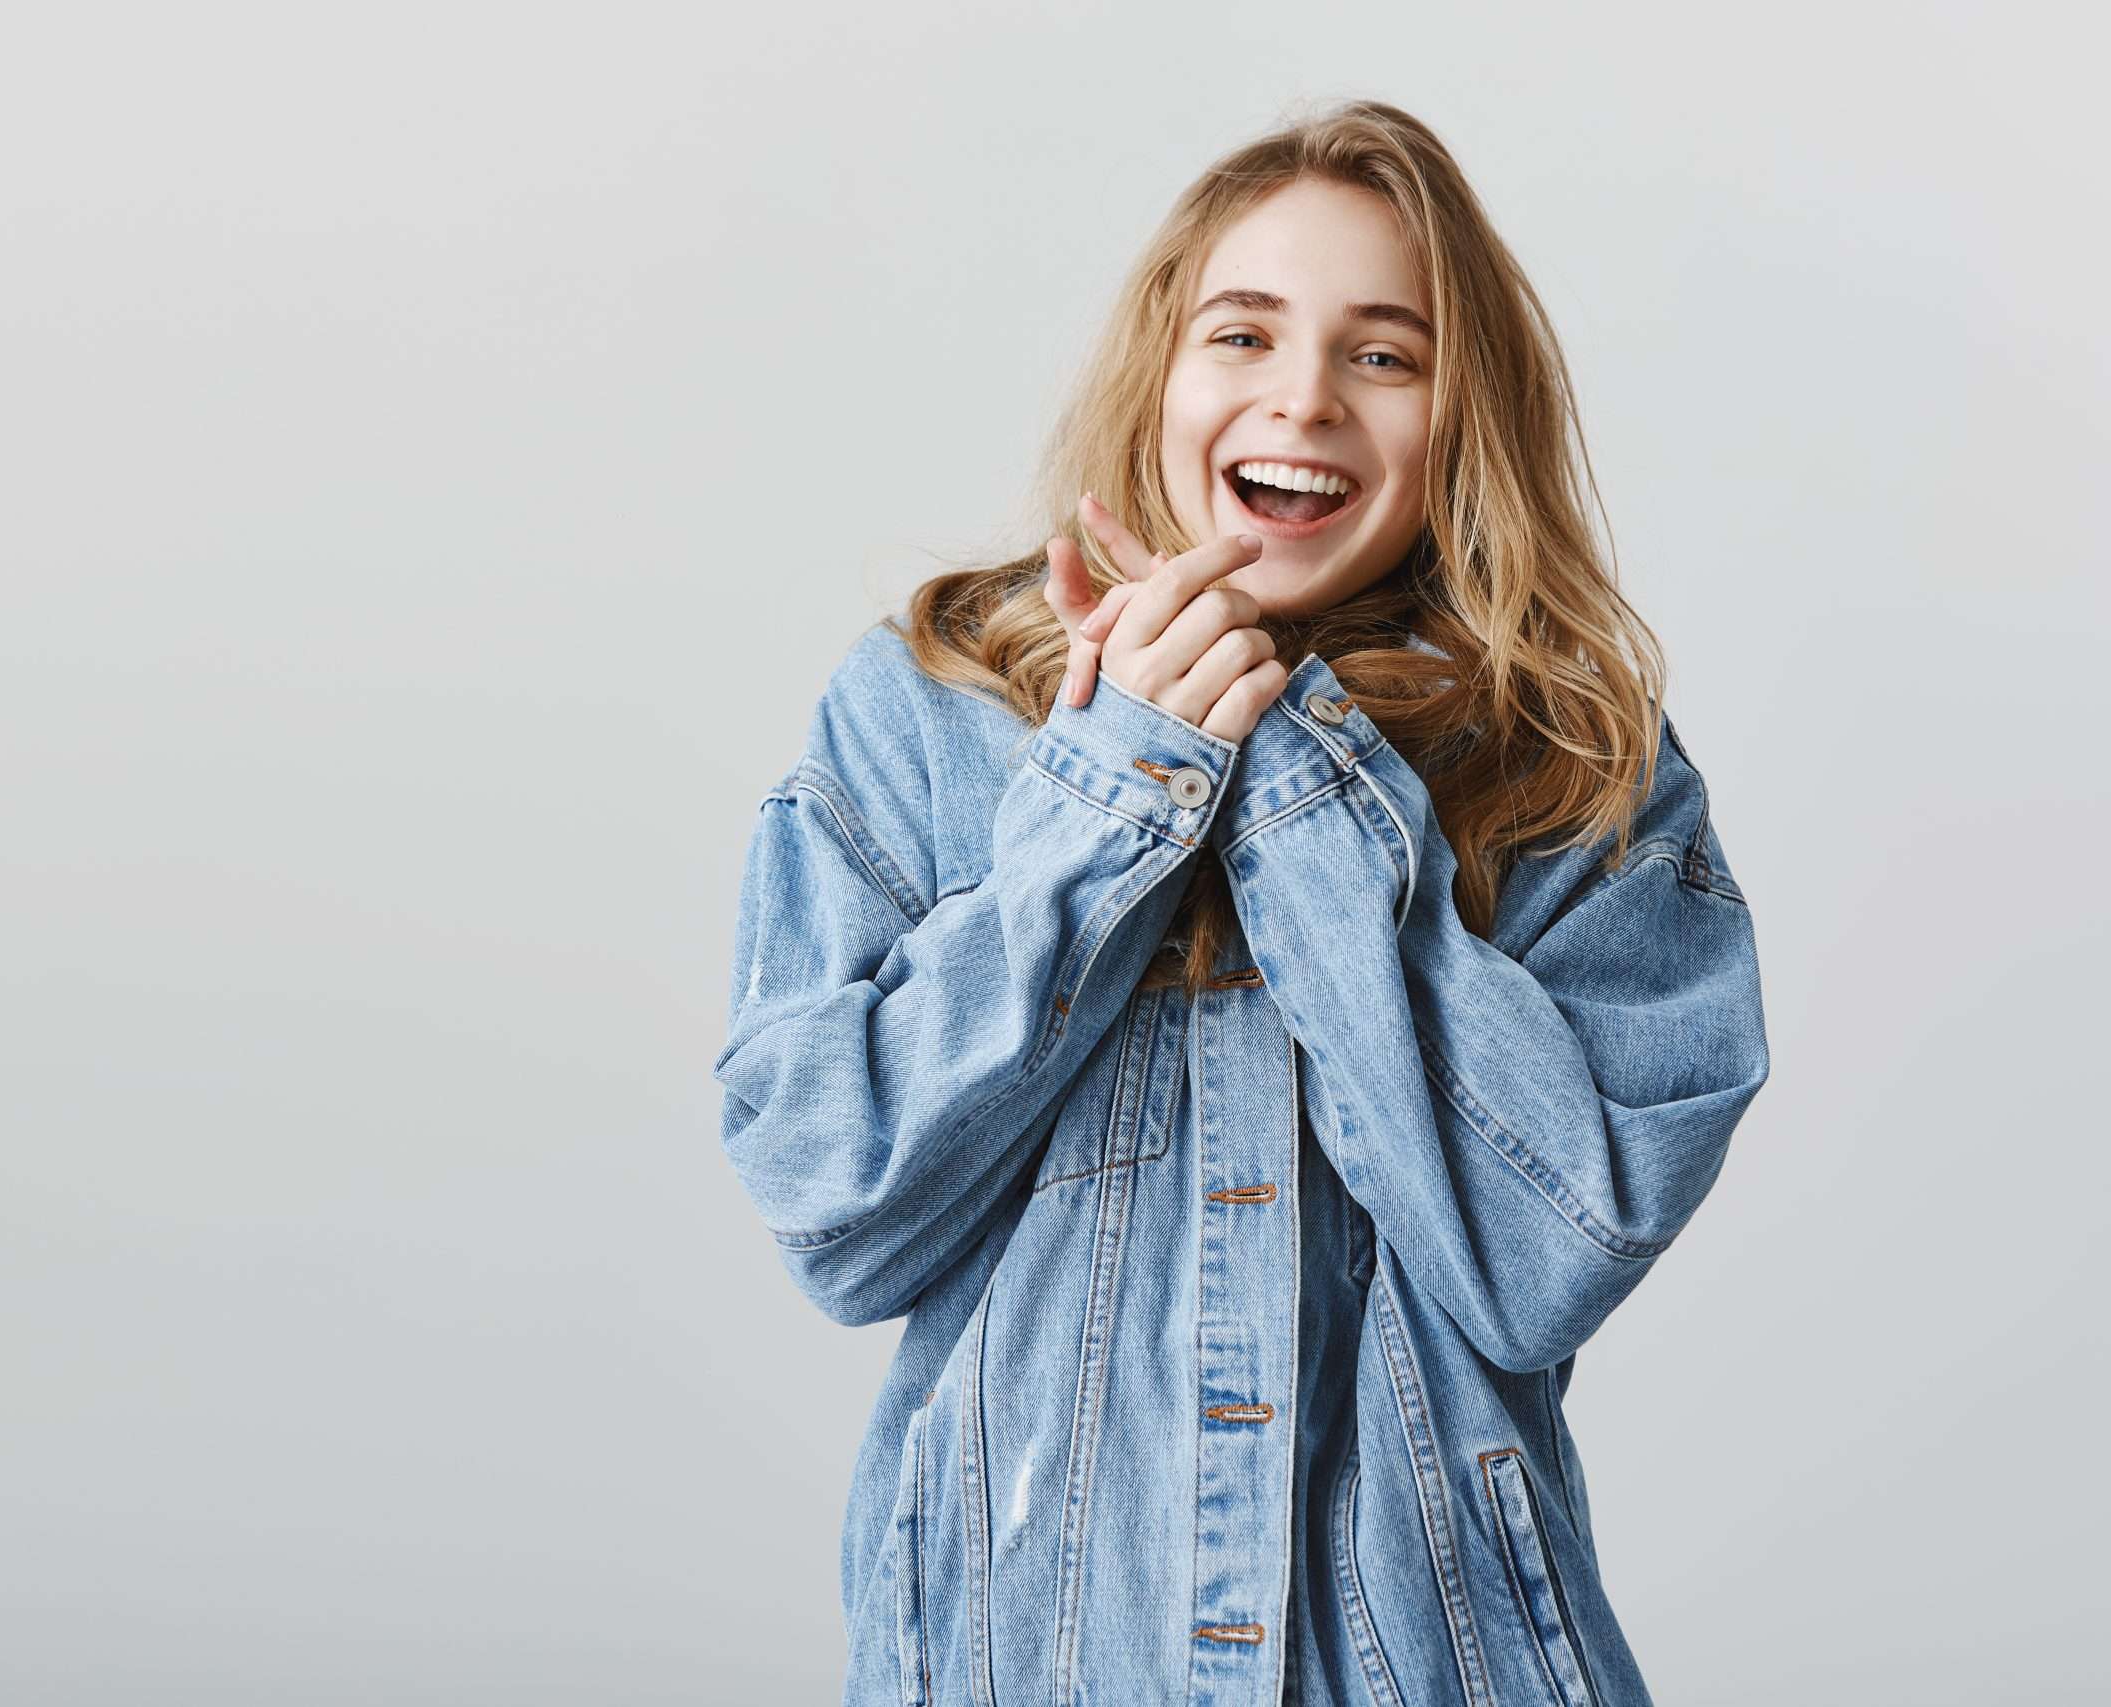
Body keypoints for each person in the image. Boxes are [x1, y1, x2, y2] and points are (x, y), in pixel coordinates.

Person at [710, 99, 1770, 1707]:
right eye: (1245, 333)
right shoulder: (930, 710)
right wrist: (1115, 789)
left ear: (1458, 416)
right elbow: (837, 1210)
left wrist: (1284, 763)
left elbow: (1542, 1256)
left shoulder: (1575, 769)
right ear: (1165, 372)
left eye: (1385, 355)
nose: (1305, 398)